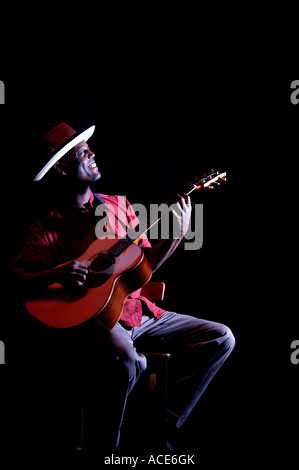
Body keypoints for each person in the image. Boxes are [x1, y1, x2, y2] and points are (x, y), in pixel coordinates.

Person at [7, 122, 235, 454]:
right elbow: (10, 278)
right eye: (84, 152)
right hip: (101, 322)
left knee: (221, 337)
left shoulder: (117, 206)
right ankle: (106, 452)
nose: (93, 153)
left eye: (90, 149)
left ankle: (165, 424)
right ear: (62, 167)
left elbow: (142, 268)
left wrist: (177, 233)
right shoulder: (47, 227)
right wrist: (57, 271)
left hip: (142, 313)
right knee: (131, 362)